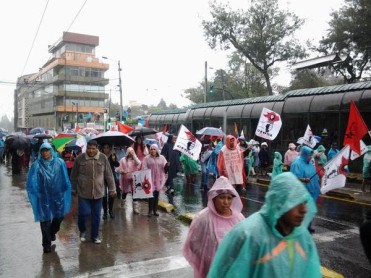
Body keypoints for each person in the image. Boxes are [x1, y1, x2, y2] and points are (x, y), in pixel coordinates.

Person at [208, 172, 321, 278]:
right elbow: (223, 271)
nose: (304, 210)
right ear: (279, 202)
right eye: (296, 202)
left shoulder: (303, 238)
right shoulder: (248, 234)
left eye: (305, 202)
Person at [183, 176, 244, 278]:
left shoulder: (239, 218)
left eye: (229, 198)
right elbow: (192, 243)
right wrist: (207, 258)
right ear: (214, 198)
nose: (226, 202)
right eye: (222, 197)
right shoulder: (203, 218)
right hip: (210, 270)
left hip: (232, 270)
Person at [26, 142, 72, 253]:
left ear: (51, 151)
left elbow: (65, 177)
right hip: (43, 196)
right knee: (45, 220)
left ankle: (52, 232)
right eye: (43, 150)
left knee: (59, 217)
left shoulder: (60, 162)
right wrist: (35, 192)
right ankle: (46, 244)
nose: (45, 152)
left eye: (47, 150)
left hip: (57, 195)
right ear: (40, 152)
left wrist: (66, 187)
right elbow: (31, 181)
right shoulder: (37, 165)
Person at [70, 140, 116, 244]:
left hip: (98, 192)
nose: (91, 151)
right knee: (84, 213)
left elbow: (109, 174)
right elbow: (73, 176)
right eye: (89, 148)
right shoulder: (79, 158)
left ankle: (95, 236)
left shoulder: (103, 158)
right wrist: (73, 188)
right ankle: (82, 230)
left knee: (96, 215)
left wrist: (112, 189)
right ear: (86, 148)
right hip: (83, 192)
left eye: (93, 149)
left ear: (97, 149)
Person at [290, 145, 320, 234]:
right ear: (305, 154)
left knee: (310, 209)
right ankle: (301, 227)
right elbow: (293, 177)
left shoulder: (309, 163)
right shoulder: (297, 163)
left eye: (311, 155)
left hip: (311, 191)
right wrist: (303, 179)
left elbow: (313, 173)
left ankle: (308, 225)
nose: (311, 157)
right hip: (301, 192)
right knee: (302, 210)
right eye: (309, 155)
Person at [141, 144, 167, 217]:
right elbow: (144, 167)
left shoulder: (162, 158)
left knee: (156, 195)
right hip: (150, 178)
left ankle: (155, 210)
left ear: (157, 150)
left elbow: (165, 168)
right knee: (151, 195)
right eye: (151, 149)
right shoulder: (147, 158)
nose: (153, 150)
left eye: (154, 149)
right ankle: (150, 211)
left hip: (158, 179)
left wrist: (167, 165)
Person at [116, 147, 141, 213]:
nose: (130, 153)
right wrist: (122, 171)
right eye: (129, 152)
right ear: (127, 152)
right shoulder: (123, 160)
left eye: (132, 152)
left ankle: (135, 208)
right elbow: (117, 169)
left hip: (134, 179)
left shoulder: (134, 160)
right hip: (125, 179)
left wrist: (134, 156)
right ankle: (122, 202)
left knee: (134, 192)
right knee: (125, 192)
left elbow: (139, 163)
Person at [101, 144, 120, 220]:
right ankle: (105, 212)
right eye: (104, 148)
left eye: (107, 148)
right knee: (104, 195)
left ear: (109, 149)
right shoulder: (100, 156)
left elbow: (117, 165)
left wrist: (114, 160)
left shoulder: (113, 154)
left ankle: (110, 211)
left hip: (111, 177)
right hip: (102, 177)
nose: (106, 149)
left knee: (112, 195)